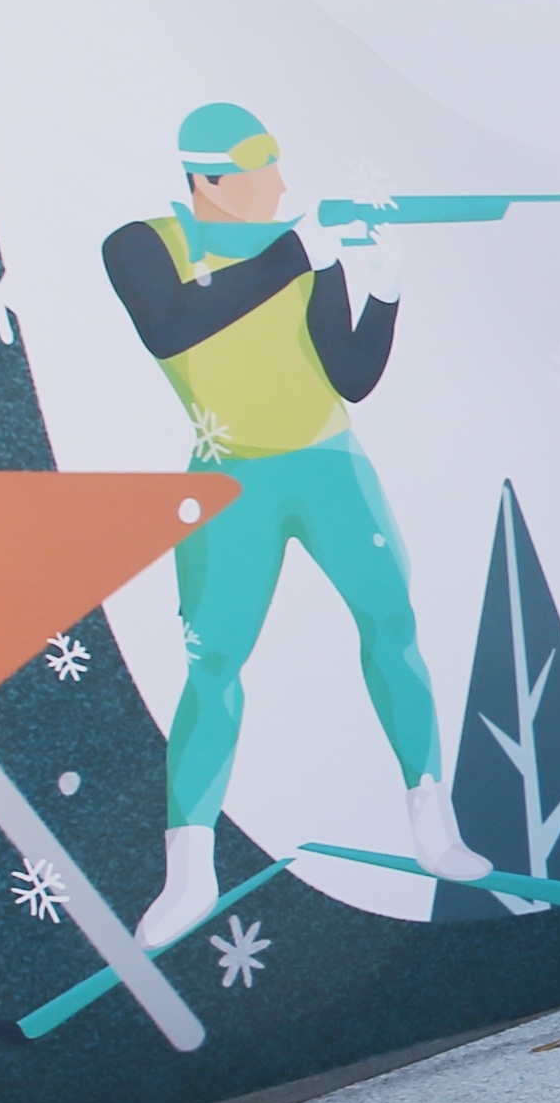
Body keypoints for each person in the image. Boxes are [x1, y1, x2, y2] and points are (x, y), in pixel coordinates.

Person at [101, 102, 493, 947]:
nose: (280, 186)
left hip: (329, 467)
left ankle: (433, 821)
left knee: (392, 624)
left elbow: (351, 375)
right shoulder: (143, 245)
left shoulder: (299, 247)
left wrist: (384, 288)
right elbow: (171, 326)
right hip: (229, 480)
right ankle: (189, 868)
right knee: (215, 661)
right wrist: (294, 253)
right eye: (259, 171)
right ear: (207, 178)